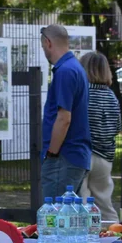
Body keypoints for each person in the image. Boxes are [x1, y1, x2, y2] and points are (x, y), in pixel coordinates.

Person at [40, 24, 92, 199]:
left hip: (63, 157)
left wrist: (52, 153)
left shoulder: (65, 71)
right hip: (73, 156)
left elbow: (64, 118)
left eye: (43, 47)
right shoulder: (75, 68)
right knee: (67, 219)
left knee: (53, 218)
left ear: (48, 43)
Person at [77, 52, 120, 220]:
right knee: (104, 199)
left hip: (83, 153)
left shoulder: (81, 94)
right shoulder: (111, 96)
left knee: (82, 200)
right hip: (105, 155)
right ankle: (113, 230)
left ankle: (86, 235)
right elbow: (117, 127)